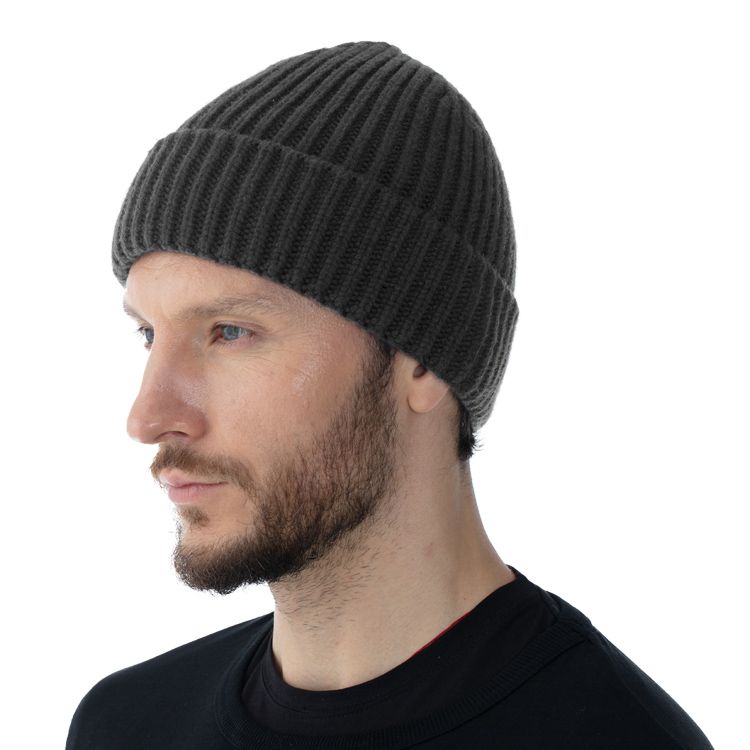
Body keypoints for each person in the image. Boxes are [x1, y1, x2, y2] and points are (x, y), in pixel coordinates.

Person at [65, 40, 714, 749]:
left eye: (230, 332)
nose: (148, 417)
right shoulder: (126, 726)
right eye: (148, 335)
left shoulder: (618, 737)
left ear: (424, 360)